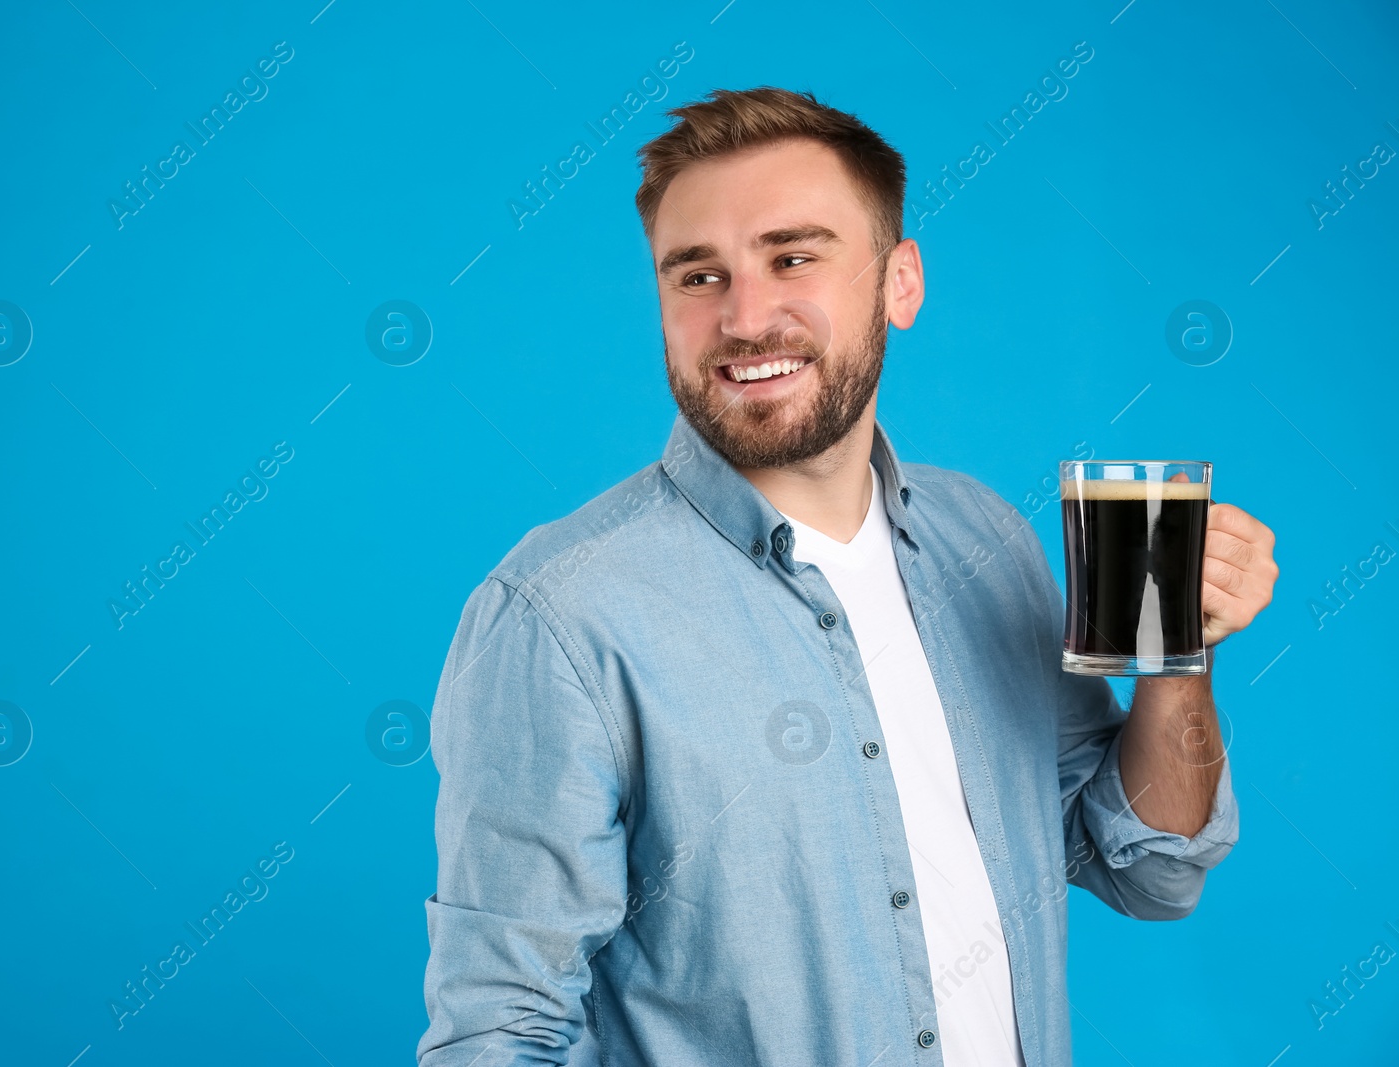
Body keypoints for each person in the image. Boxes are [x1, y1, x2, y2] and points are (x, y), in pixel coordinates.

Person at [417, 87, 1277, 1066]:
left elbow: (1146, 866)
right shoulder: (560, 616)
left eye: (793, 257)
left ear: (899, 283)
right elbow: (500, 1033)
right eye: (698, 275)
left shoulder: (985, 540)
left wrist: (1178, 651)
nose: (745, 317)